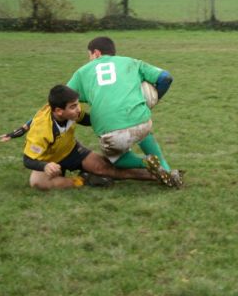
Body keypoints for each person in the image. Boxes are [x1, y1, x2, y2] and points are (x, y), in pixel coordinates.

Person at [66, 36, 183, 187]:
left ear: (96, 53)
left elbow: (64, 98)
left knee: (115, 159)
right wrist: (152, 102)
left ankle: (144, 162)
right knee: (144, 133)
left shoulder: (82, 72)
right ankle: (166, 171)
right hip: (142, 121)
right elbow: (166, 78)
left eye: (89, 55)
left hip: (111, 133)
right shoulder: (131, 62)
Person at [0, 84, 156, 190]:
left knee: (107, 169)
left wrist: (116, 121)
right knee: (37, 183)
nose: (78, 109)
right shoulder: (42, 130)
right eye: (73, 106)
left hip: (72, 151)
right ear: (59, 111)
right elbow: (27, 160)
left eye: (77, 104)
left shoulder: (72, 112)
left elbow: (88, 121)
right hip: (50, 160)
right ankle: (83, 180)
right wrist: (45, 166)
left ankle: (157, 175)